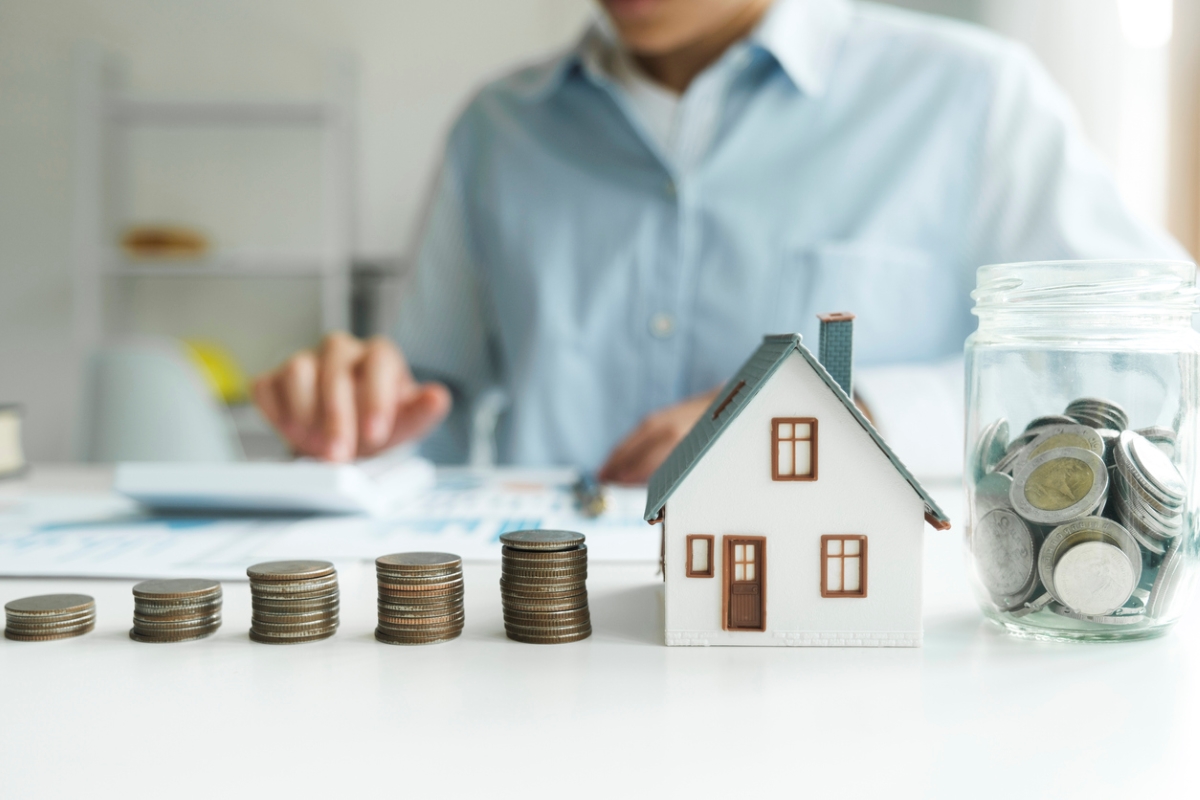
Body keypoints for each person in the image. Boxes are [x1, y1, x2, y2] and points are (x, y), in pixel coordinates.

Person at [253, 0, 1188, 482]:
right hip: (543, 658)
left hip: (865, 671)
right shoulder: (498, 131)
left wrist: (858, 417)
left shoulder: (974, 99)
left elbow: (1160, 357)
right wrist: (358, 423)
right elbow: (431, 413)